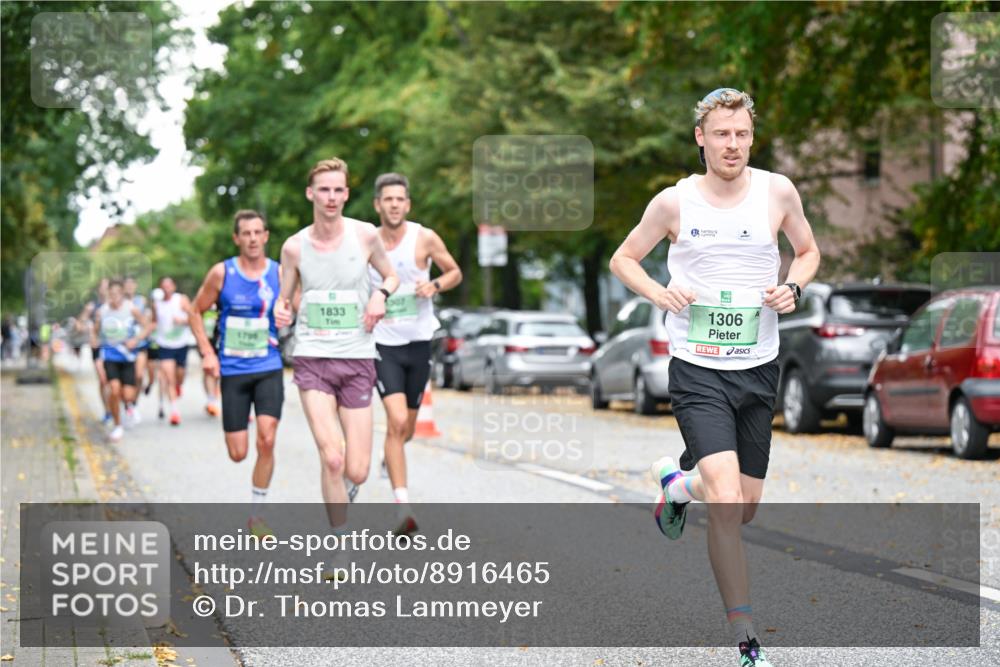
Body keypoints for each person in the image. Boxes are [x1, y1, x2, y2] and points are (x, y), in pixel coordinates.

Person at [609, 88, 820, 667]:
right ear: (700, 137)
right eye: (722, 133)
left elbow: (807, 251)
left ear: (752, 137)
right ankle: (747, 640)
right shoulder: (673, 204)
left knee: (745, 505)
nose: (733, 144)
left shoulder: (778, 191)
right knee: (726, 500)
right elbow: (623, 259)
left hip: (757, 367)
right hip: (697, 368)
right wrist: (659, 291)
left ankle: (676, 486)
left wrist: (794, 287)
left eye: (742, 134)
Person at [274, 158, 398, 573]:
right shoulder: (294, 247)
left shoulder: (364, 235)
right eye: (324, 190)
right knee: (332, 457)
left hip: (358, 359)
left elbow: (392, 276)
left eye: (338, 190)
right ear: (311, 194)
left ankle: (342, 494)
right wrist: (282, 310)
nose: (331, 198)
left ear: (346, 194)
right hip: (313, 359)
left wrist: (380, 294)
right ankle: (340, 546)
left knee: (357, 470)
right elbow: (284, 297)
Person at [368, 173, 462, 534]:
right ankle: (402, 508)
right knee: (394, 422)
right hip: (382, 343)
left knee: (405, 428)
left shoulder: (424, 238)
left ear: (407, 204)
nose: (394, 205)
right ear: (378, 205)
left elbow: (454, 271)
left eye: (400, 199)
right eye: (387, 199)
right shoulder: (368, 241)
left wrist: (434, 284)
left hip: (418, 341)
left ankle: (388, 456)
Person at [190, 210, 284, 538]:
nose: (253, 239)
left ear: (266, 235)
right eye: (246, 233)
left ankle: (257, 515)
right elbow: (194, 310)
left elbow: (298, 305)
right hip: (232, 370)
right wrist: (206, 352)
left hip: (269, 366)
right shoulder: (222, 273)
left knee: (268, 438)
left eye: (258, 232)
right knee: (238, 452)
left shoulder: (280, 273)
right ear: (237, 238)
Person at [90, 279, 152, 442]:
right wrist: (95, 342)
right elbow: (95, 331)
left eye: (117, 294)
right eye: (111, 294)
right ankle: (117, 426)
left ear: (122, 294)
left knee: (128, 394)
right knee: (114, 390)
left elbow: (147, 326)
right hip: (110, 356)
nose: (114, 297)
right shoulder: (102, 311)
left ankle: (129, 406)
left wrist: (136, 340)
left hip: (128, 356)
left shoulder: (131, 308)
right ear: (108, 295)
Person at [152, 277, 192, 425]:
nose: (166, 289)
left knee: (179, 375)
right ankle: (175, 412)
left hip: (181, 343)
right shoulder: (157, 304)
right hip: (164, 345)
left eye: (169, 286)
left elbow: (193, 317)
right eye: (163, 287)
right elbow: (154, 322)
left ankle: (178, 386)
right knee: (169, 377)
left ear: (174, 287)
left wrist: (183, 321)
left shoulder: (181, 300)